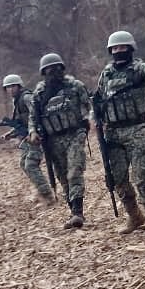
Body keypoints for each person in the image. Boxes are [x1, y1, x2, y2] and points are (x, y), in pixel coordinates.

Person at [95, 32, 145, 236]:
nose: (118, 51)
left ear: (130, 49)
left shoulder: (140, 68)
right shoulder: (106, 74)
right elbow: (99, 98)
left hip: (137, 129)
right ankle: (134, 216)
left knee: (142, 175)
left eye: (122, 48)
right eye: (114, 48)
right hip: (112, 133)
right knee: (118, 178)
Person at [30, 52, 93, 229]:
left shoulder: (75, 86)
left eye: (56, 68)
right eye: (48, 70)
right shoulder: (39, 93)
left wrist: (90, 120)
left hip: (75, 134)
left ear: (62, 69)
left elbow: (89, 106)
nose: (52, 72)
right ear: (43, 72)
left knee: (74, 172)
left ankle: (78, 212)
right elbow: (32, 117)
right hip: (53, 141)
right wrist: (33, 131)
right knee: (63, 177)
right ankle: (73, 211)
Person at [1, 74, 54, 204]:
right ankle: (41, 190)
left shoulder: (26, 97)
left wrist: (35, 132)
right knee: (24, 163)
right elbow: (22, 122)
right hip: (28, 136)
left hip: (36, 136)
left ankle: (47, 195)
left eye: (13, 86)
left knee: (30, 165)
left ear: (19, 86)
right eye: (8, 87)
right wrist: (11, 133)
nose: (10, 89)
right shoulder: (17, 101)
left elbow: (36, 115)